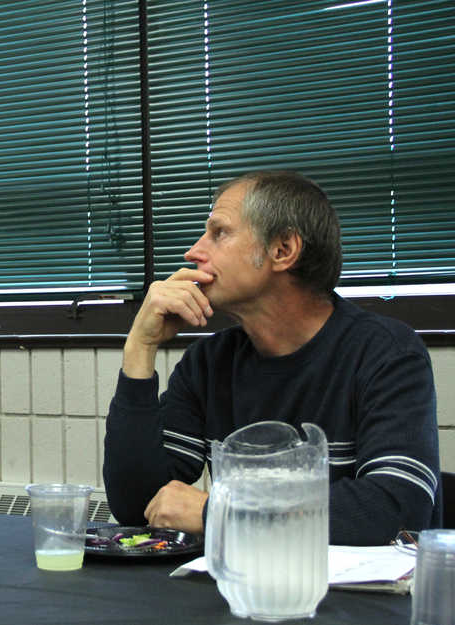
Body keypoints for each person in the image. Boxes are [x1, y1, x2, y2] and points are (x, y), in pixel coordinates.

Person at [102, 170, 441, 546]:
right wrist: (139, 347)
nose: (194, 252)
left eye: (219, 233)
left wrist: (218, 512)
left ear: (282, 250)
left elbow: (396, 510)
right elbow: (139, 508)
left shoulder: (385, 353)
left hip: (355, 601)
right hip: (243, 591)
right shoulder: (209, 362)